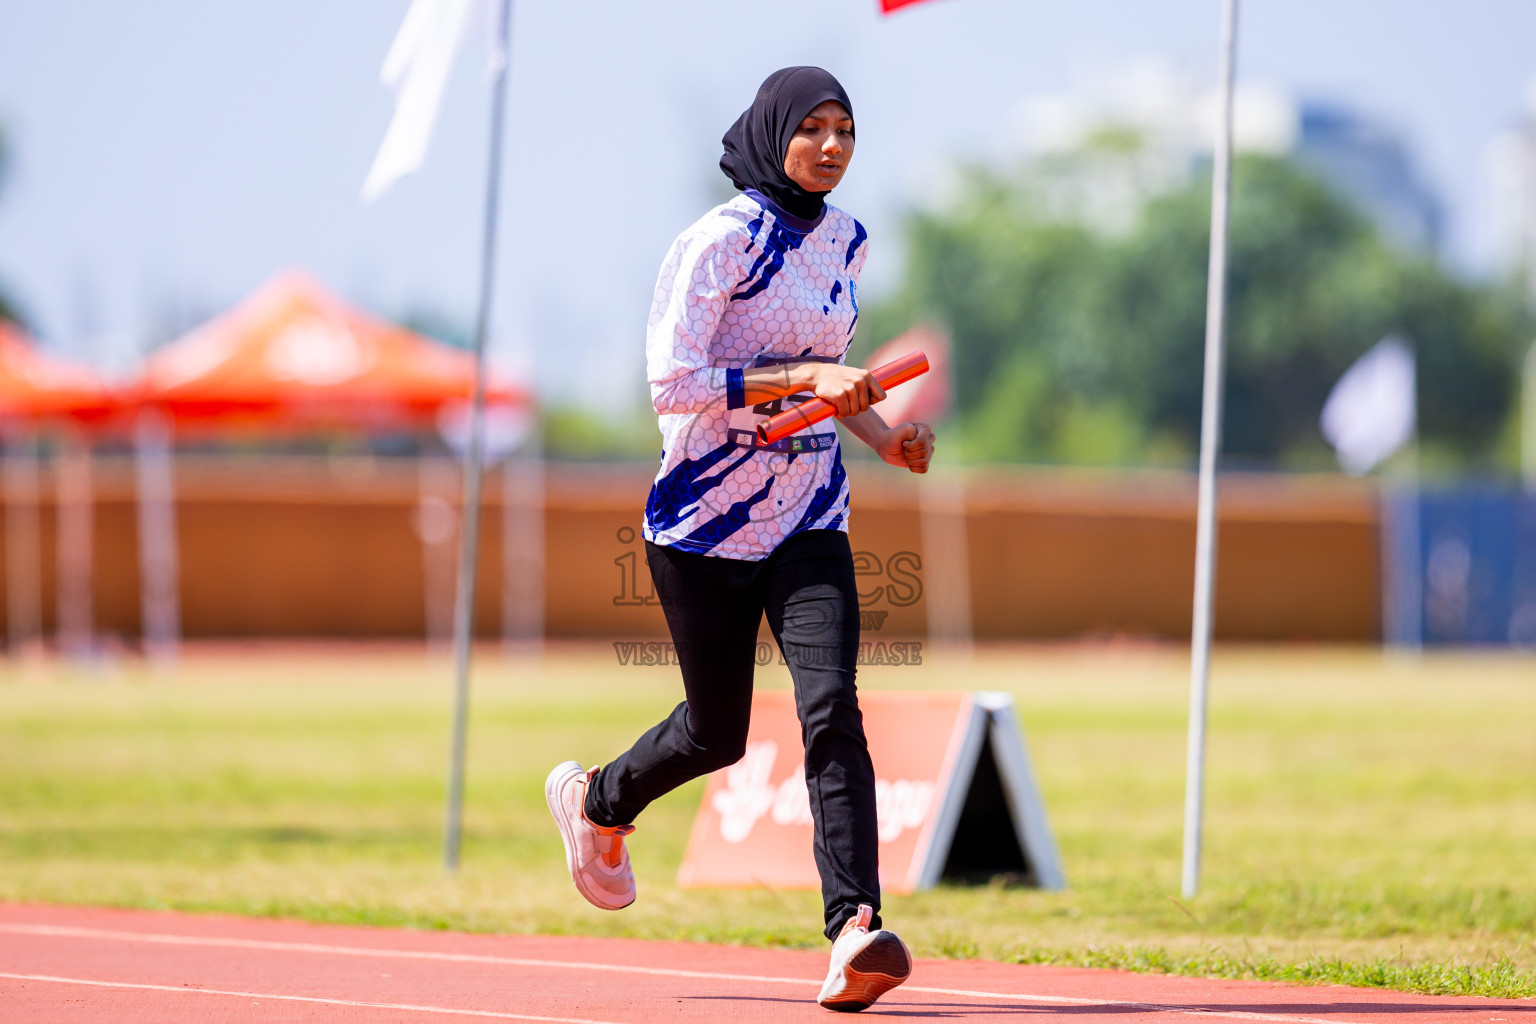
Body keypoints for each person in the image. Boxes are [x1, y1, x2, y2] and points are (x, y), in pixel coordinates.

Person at [545, 66, 935, 1013]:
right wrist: (807, 370)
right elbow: (673, 385)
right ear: (771, 135)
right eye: (814, 129)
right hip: (703, 523)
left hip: (809, 515)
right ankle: (597, 801)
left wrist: (885, 435)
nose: (834, 146)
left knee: (831, 707)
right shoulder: (716, 244)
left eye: (847, 129)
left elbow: (830, 384)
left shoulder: (848, 240)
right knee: (716, 734)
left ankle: (854, 931)